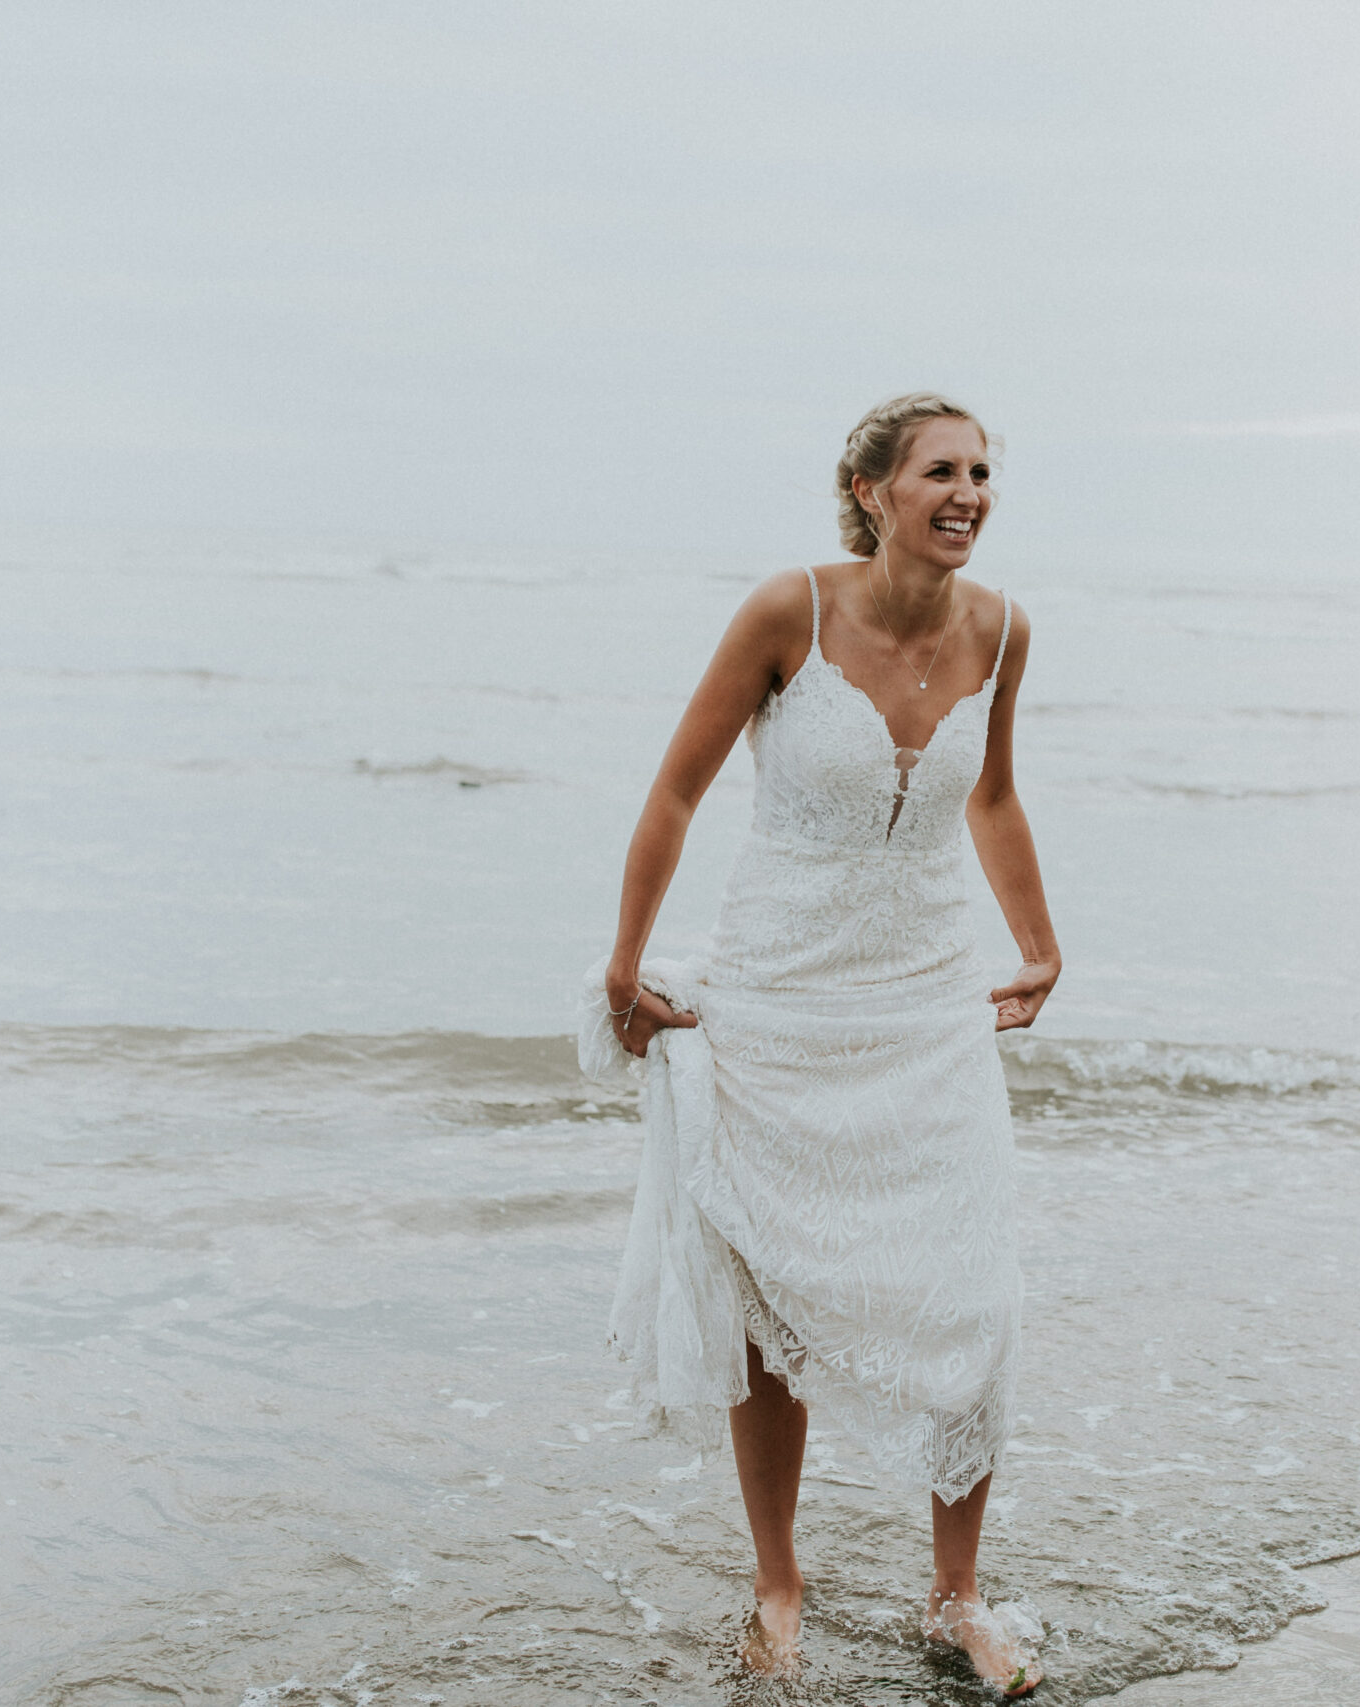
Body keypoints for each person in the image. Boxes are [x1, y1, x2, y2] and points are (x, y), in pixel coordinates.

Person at [581, 392, 1060, 1695]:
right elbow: (676, 789)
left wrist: (1040, 943)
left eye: (980, 473)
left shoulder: (1003, 629)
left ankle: (954, 1596)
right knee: (765, 1303)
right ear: (871, 489)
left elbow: (998, 796)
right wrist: (626, 968)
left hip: (924, 1004)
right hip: (781, 999)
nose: (967, 494)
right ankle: (778, 1586)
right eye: (939, 473)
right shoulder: (785, 612)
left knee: (975, 1297)